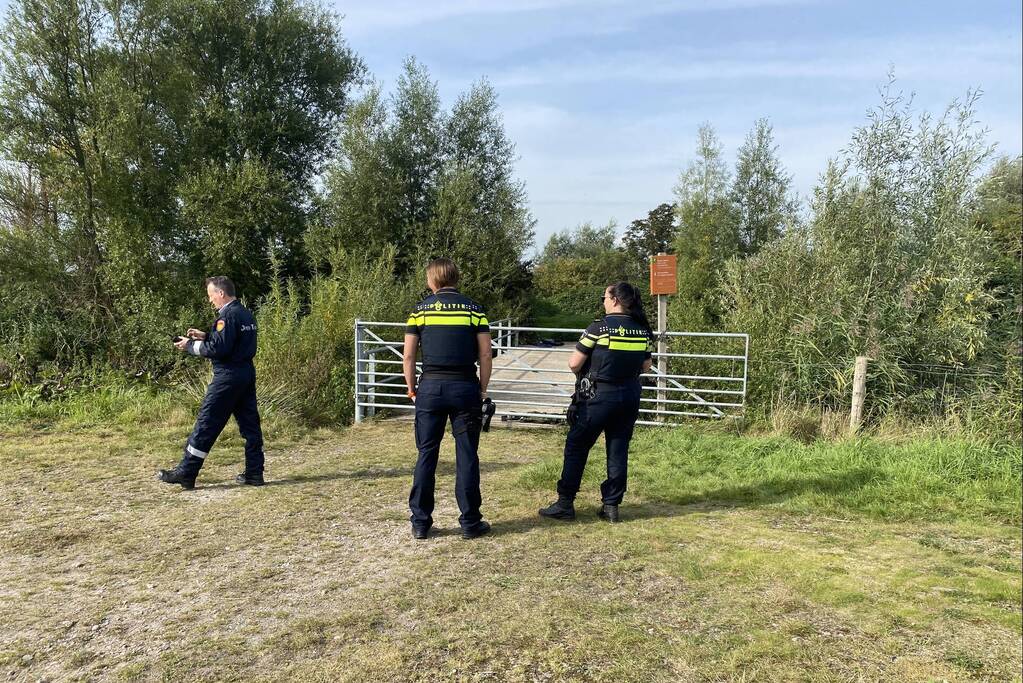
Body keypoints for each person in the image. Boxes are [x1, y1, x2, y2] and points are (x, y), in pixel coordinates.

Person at [539, 282, 653, 523]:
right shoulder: (642, 330)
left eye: (604, 298)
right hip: (629, 396)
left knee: (577, 446)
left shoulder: (599, 328)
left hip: (597, 398)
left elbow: (574, 364)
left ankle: (565, 503)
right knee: (618, 449)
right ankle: (611, 506)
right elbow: (646, 366)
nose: (603, 302)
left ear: (615, 300)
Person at [403, 258, 493, 540]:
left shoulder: (420, 311)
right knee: (467, 454)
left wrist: (411, 389)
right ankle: (470, 522)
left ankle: (420, 522)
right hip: (465, 387)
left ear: (432, 280)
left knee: (426, 453)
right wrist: (482, 389)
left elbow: (409, 355)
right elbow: (486, 354)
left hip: (430, 388)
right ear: (456, 278)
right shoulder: (474, 311)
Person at [158, 276, 264, 489]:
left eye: (210, 295)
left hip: (227, 377)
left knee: (206, 423)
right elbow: (231, 342)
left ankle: (186, 472)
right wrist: (206, 336)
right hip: (245, 374)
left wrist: (190, 345)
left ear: (221, 293)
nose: (210, 300)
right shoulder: (245, 314)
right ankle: (255, 473)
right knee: (250, 426)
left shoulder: (227, 316)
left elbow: (218, 349)